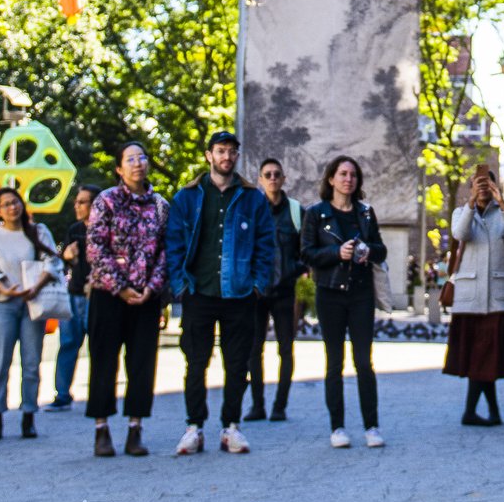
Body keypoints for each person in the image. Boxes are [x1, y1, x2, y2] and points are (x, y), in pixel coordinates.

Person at [163, 129, 280, 457]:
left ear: (237, 157)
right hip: (199, 291)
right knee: (196, 361)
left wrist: (258, 283)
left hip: (240, 293)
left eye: (231, 151)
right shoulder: (188, 196)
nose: (226, 156)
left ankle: (231, 426)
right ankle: (194, 427)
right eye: (220, 151)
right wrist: (180, 284)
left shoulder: (252, 197)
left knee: (237, 362)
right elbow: (173, 243)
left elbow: (265, 244)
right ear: (208, 156)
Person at [84, 144, 168, 458]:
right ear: (120, 168)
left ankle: (135, 428)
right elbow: (95, 248)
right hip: (109, 294)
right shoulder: (105, 200)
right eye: (130, 159)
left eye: (142, 158)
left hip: (146, 296)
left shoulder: (160, 205)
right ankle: (101, 428)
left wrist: (152, 287)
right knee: (104, 359)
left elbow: (165, 251)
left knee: (142, 363)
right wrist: (119, 287)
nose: (138, 164)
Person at [301, 155, 387, 448]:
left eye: (353, 175)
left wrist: (366, 250)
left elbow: (381, 250)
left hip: (361, 293)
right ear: (331, 179)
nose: (348, 179)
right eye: (342, 174)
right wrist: (337, 253)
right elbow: (307, 254)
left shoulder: (365, 213)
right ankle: (337, 427)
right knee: (334, 362)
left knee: (364, 361)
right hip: (329, 293)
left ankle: (371, 426)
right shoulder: (315, 214)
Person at [443, 163, 504, 426]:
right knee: (480, 357)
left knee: (486, 356)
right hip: (469, 297)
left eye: (487, 184)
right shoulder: (460, 212)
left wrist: (503, 204)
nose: (483, 189)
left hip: (499, 297)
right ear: (470, 188)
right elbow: (460, 233)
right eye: (477, 184)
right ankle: (485, 412)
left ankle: (480, 412)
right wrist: (469, 204)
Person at [0, 186, 62, 440]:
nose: (12, 208)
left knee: (31, 361)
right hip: (4, 302)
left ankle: (29, 414)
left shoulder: (38, 232)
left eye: (15, 202)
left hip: (33, 302)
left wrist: (35, 286)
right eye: (6, 204)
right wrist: (9, 290)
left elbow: (53, 261)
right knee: (1, 360)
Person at [247, 156, 305, 423]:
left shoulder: (295, 211)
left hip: (284, 291)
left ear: (284, 179)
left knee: (285, 349)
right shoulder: (252, 210)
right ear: (260, 180)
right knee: (253, 349)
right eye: (267, 174)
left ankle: (280, 406)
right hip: (257, 293)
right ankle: (257, 405)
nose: (272, 178)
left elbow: (307, 248)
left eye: (276, 174)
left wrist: (294, 269)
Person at [50, 184, 95, 410]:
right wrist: (66, 255)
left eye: (82, 201)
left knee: (98, 347)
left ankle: (99, 393)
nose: (77, 206)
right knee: (68, 344)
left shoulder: (105, 228)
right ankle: (62, 394)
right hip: (73, 295)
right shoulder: (75, 229)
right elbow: (63, 260)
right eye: (76, 202)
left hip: (96, 296)